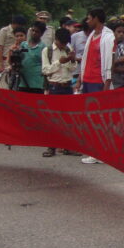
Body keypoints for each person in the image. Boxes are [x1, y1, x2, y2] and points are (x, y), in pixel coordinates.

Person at [41, 28, 78, 158]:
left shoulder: (67, 49)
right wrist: (59, 63)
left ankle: (68, 146)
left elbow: (72, 69)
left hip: (67, 86)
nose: (63, 45)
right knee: (53, 118)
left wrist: (71, 60)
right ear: (56, 40)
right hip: (55, 87)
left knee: (68, 118)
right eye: (62, 43)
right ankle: (51, 147)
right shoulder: (48, 51)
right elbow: (45, 70)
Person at [76, 8, 113, 93]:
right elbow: (85, 59)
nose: (87, 21)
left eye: (89, 18)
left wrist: (106, 87)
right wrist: (79, 80)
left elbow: (109, 64)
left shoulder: (108, 37)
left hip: (98, 81)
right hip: (86, 80)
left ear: (95, 19)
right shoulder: (91, 36)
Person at [9, 21, 47, 94]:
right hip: (22, 82)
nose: (34, 33)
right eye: (33, 30)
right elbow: (13, 60)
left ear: (41, 34)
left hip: (36, 84)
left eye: (37, 32)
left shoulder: (43, 48)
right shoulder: (23, 45)